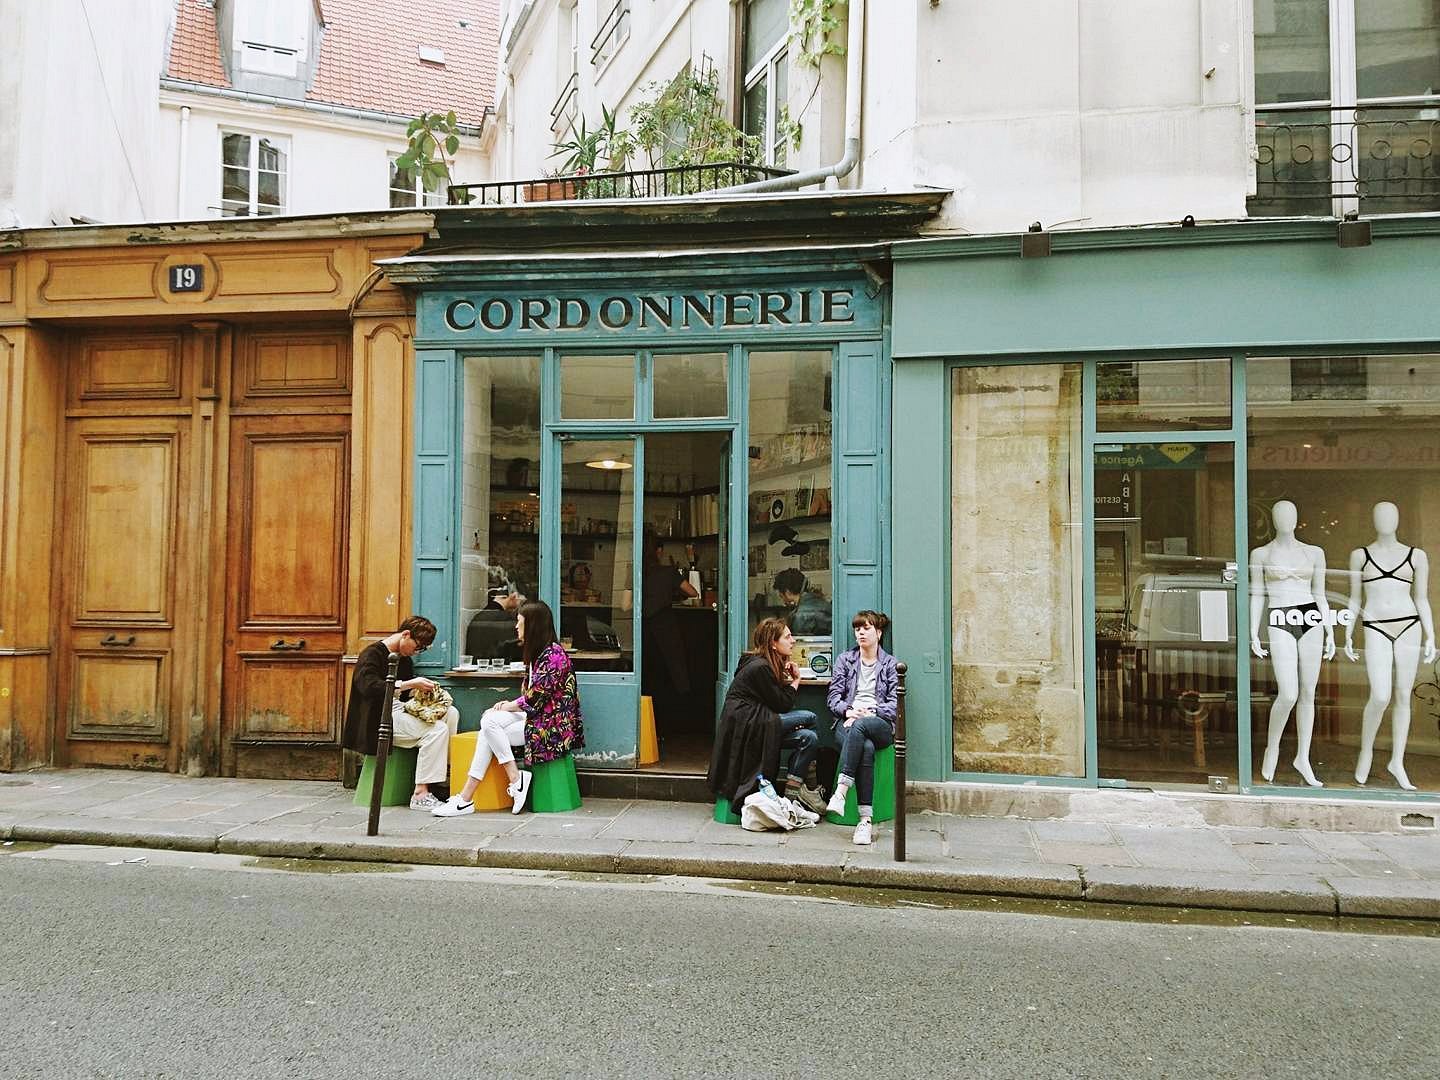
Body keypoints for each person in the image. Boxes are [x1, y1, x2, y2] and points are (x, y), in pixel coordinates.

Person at [434, 599, 585, 816]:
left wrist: (509, 706)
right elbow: (532, 700)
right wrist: (506, 708)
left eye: (520, 622)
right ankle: (506, 781)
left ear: (532, 626)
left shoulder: (553, 656)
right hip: (535, 718)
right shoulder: (539, 655)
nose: (515, 626)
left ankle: (469, 797)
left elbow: (536, 699)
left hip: (551, 727)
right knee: (489, 721)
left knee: (489, 727)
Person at [1344, 501, 1437, 790]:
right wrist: (1347, 632)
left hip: (1409, 624)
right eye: (1380, 515)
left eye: (1391, 515)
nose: (1386, 520)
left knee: (1402, 695)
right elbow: (1355, 598)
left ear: (1399, 519)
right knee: (1381, 694)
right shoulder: (1360, 556)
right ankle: (1366, 750)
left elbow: (1422, 598)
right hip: (1375, 625)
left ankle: (1397, 760)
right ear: (1373, 519)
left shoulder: (1416, 556)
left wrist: (1431, 634)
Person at [1249, 500, 1333, 788]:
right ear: (1273, 520)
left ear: (1297, 519)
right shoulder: (1261, 553)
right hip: (1280, 615)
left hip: (1310, 616)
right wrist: (1253, 631)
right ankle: (1272, 747)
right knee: (1288, 693)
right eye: (1280, 515)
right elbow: (1257, 594)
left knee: (1308, 693)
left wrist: (1330, 630)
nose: (1286, 519)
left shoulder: (1314, 553)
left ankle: (1303, 758)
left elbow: (1320, 594)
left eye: (1291, 515)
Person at [708, 617, 828, 816]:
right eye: (788, 637)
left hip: (758, 721)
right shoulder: (760, 667)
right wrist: (796, 679)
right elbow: (782, 704)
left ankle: (791, 797)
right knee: (810, 717)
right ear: (773, 643)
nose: (793, 641)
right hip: (751, 725)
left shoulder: (762, 663)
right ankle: (810, 789)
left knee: (809, 737)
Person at [341, 616, 458, 811]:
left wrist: (422, 692)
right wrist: (409, 684)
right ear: (405, 635)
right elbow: (368, 687)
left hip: (400, 711)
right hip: (378, 719)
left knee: (450, 713)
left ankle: (442, 779)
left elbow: (404, 694)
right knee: (436, 730)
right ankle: (420, 793)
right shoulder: (371, 654)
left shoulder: (404, 660)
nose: (417, 652)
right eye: (418, 646)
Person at [825, 610, 900, 845]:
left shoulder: (890, 664)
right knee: (864, 747)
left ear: (878, 632)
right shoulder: (845, 660)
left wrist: (873, 711)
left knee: (862, 727)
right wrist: (847, 711)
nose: (860, 633)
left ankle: (841, 791)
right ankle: (865, 821)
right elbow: (833, 698)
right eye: (857, 629)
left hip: (880, 725)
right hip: (847, 722)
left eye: (866, 628)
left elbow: (895, 704)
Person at [642, 535, 699, 712]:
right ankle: (677, 713)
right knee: (673, 669)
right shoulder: (669, 572)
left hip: (645, 627)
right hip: (666, 627)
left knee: (650, 670)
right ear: (659, 551)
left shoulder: (638, 572)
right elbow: (692, 592)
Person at [466, 583, 525, 663]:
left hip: (477, 667)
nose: (520, 603)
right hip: (497, 667)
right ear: (513, 596)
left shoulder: (479, 616)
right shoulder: (505, 618)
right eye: (520, 600)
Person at [773, 567, 830, 635]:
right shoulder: (825, 604)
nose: (783, 601)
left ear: (788, 593)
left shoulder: (800, 616)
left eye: (781, 596)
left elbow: (799, 644)